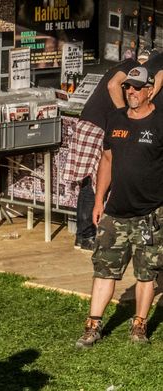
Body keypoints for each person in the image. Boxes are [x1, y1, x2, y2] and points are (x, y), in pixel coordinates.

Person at [75, 66, 163, 348]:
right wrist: (99, 199)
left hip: (150, 213)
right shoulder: (115, 119)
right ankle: (93, 325)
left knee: (146, 272)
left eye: (137, 87)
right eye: (128, 87)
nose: (132, 92)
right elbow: (107, 161)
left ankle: (139, 325)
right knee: (103, 269)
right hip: (115, 212)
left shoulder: (160, 122)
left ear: (150, 90)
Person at [64, 56, 140, 251]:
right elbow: (113, 86)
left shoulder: (124, 66)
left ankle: (85, 234)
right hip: (96, 126)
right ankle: (86, 234)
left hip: (93, 124)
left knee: (92, 182)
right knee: (93, 182)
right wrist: (124, 116)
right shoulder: (132, 66)